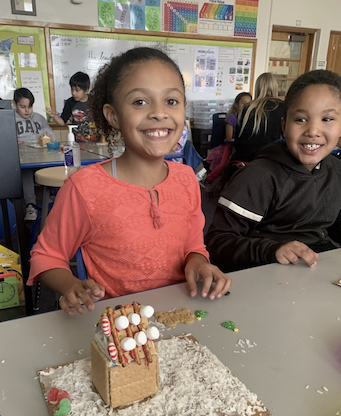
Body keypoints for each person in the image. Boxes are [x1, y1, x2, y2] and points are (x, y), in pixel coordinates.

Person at [28, 47, 232, 315]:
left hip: (182, 316)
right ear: (113, 116)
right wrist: (71, 285)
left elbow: (193, 247)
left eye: (171, 101)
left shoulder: (186, 180)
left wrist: (197, 262)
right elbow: (46, 256)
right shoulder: (85, 188)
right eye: (139, 102)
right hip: (120, 329)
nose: (159, 113)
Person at [205, 69, 341, 273]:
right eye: (301, 120)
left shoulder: (336, 170)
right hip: (263, 276)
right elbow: (217, 242)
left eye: (327, 119)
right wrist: (271, 250)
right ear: (284, 126)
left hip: (314, 274)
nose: (313, 131)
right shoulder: (258, 176)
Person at [213, 73, 284, 192]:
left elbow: (239, 138)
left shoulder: (247, 108)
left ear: (257, 87)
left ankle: (218, 186)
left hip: (243, 158)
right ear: (275, 86)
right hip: (269, 159)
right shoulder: (282, 107)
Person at [14, 87, 56, 221]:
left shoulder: (39, 118)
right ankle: (30, 205)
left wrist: (50, 137)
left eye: (30, 107)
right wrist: (12, 141)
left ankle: (53, 199)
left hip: (41, 154)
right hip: (22, 156)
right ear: (15, 104)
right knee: (26, 171)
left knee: (52, 167)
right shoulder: (9, 119)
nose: (27, 110)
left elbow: (53, 137)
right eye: (23, 107)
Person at [205, 92, 252, 184]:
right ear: (236, 104)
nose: (246, 106)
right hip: (231, 146)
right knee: (223, 165)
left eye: (249, 104)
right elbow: (229, 138)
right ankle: (207, 180)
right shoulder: (232, 118)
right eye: (243, 103)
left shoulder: (250, 119)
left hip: (243, 147)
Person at [47, 71, 98, 142]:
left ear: (86, 91)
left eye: (77, 90)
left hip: (95, 142)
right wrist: (54, 115)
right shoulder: (70, 102)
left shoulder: (95, 101)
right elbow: (62, 122)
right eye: (72, 89)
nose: (73, 93)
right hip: (77, 143)